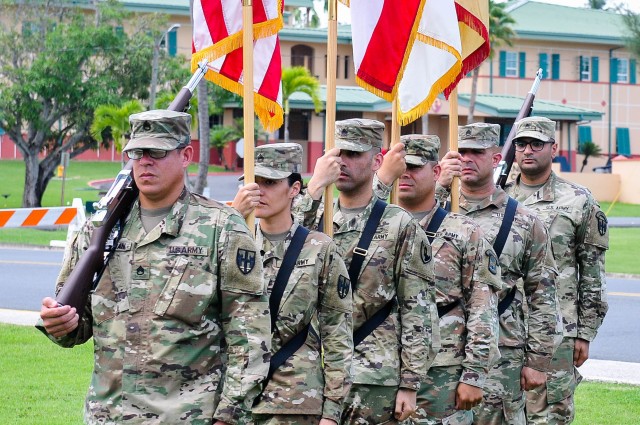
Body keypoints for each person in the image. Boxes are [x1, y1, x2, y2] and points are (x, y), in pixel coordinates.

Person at [38, 110, 271, 424]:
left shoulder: (222, 227)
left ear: (186, 155)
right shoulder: (98, 230)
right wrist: (60, 323)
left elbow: (250, 335)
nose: (145, 161)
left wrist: (229, 416)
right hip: (108, 416)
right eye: (136, 152)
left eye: (157, 152)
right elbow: (75, 327)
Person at [295, 118, 439, 424]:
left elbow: (419, 308)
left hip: (371, 376)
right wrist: (314, 189)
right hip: (308, 374)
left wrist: (410, 384)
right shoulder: (314, 215)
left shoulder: (399, 224)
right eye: (339, 153)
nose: (342, 162)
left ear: (377, 161)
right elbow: (279, 259)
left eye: (354, 154)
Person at [373, 135, 502, 425]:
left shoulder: (464, 231)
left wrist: (474, 374)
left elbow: (482, 306)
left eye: (415, 167)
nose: (405, 174)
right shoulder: (374, 228)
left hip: (440, 373)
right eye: (400, 167)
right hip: (378, 367)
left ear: (435, 172)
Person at [437, 123, 560, 425]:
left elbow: (542, 294)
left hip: (501, 354)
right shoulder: (437, 210)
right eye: (462, 152)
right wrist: (439, 184)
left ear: (495, 159)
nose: (467, 159)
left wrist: (538, 361)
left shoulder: (524, 221)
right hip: (439, 350)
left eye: (477, 152)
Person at [232, 142, 354, 425]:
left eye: (270, 182)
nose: (258, 191)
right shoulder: (235, 243)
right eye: (253, 182)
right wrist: (235, 220)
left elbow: (337, 332)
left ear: (294, 189)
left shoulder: (319, 249)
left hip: (295, 401)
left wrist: (333, 411)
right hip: (236, 402)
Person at [505, 117, 608, 424]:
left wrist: (585, 333)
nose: (528, 151)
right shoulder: (496, 196)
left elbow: (592, 271)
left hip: (556, 330)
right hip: (501, 326)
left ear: (554, 148)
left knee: (549, 414)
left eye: (537, 144)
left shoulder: (579, 200)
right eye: (521, 144)